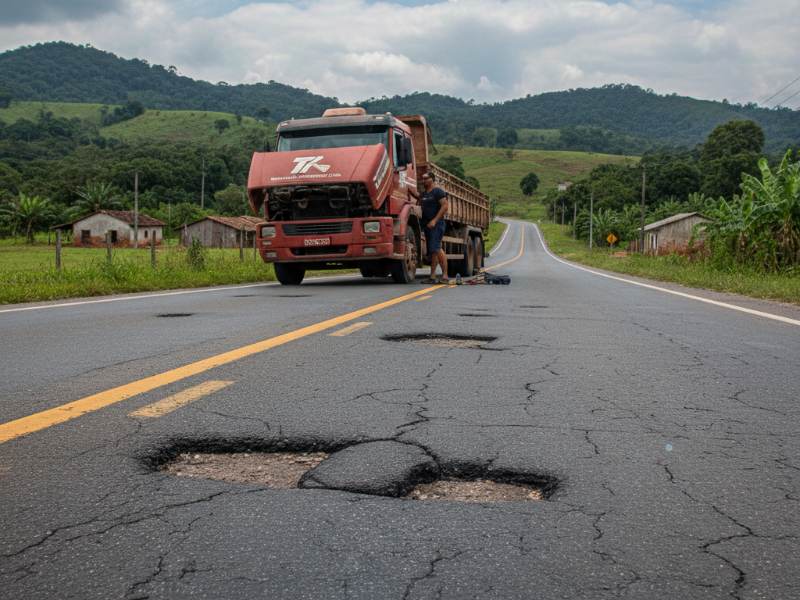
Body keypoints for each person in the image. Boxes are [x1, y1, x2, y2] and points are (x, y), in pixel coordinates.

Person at [417, 171, 449, 283]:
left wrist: (435, 221)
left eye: (425, 178)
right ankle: (432, 276)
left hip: (436, 225)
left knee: (437, 248)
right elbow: (418, 198)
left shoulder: (438, 192)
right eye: (422, 178)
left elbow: (445, 206)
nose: (423, 180)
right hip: (427, 225)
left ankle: (445, 276)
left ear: (432, 179)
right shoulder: (424, 194)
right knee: (433, 251)